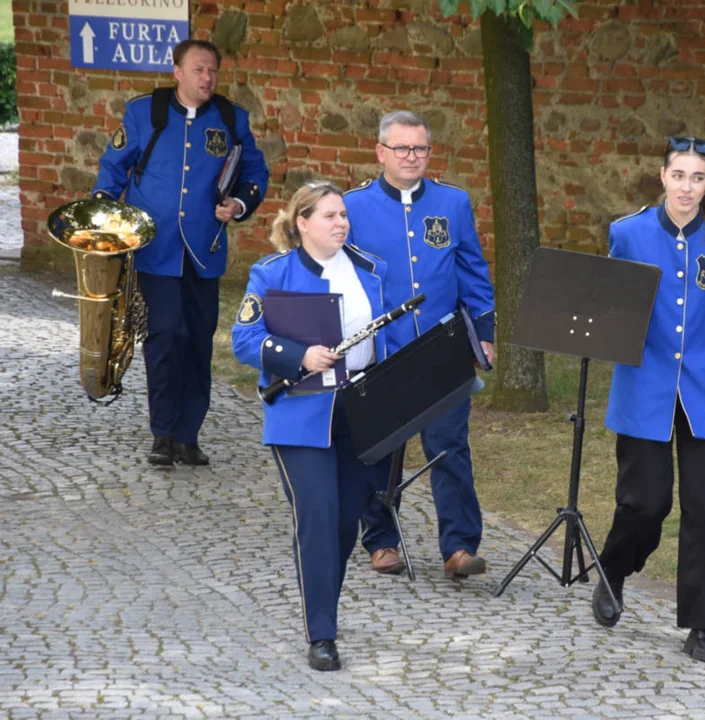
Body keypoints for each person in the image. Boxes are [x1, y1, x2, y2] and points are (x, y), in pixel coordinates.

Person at [590, 136, 705, 665]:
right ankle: (615, 568)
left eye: (699, 177)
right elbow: (611, 307)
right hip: (645, 387)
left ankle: (703, 626)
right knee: (647, 502)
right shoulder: (628, 232)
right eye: (679, 175)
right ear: (662, 176)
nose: (688, 186)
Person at [232, 181, 394, 671]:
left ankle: (324, 601)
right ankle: (322, 632)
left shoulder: (370, 269)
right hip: (301, 416)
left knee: (346, 523)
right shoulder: (273, 274)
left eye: (343, 215)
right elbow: (244, 339)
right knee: (319, 519)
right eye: (329, 216)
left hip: (361, 411)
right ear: (302, 222)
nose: (341, 223)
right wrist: (296, 354)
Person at [93, 39, 269, 467]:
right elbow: (113, 169)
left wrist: (240, 204)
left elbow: (255, 172)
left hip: (204, 251)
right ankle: (163, 432)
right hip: (155, 249)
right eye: (197, 70)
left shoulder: (231, 118)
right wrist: (104, 224)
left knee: (198, 342)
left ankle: (189, 436)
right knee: (166, 334)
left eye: (212, 71)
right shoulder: (143, 113)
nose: (206, 78)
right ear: (177, 72)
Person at [343, 110, 495, 578]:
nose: (412, 157)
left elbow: (472, 270)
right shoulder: (353, 206)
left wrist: (484, 335)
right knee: (381, 449)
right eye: (402, 148)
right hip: (382, 350)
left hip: (443, 346)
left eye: (421, 148)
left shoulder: (453, 203)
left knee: (449, 445)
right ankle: (381, 539)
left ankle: (459, 546)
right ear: (380, 152)